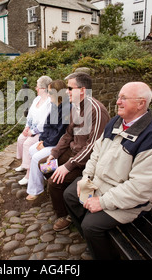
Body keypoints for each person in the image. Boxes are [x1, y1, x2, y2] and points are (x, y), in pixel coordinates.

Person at [63, 81, 152, 260]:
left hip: (132, 201)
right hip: (101, 184)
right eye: (118, 97)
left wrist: (102, 202)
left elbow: (140, 189)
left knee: (92, 225)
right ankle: (96, 242)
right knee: (70, 195)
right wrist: (86, 177)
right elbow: (96, 152)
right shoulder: (116, 122)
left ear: (141, 103)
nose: (118, 102)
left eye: (124, 98)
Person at [46, 72, 109, 231]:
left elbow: (92, 146)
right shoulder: (75, 108)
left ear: (82, 90)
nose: (66, 91)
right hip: (73, 153)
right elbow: (68, 135)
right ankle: (62, 200)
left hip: (87, 160)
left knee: (54, 182)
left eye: (69, 88)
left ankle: (65, 215)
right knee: (45, 167)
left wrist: (68, 165)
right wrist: (54, 153)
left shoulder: (97, 110)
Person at [26, 80, 70, 201]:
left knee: (36, 158)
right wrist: (42, 140)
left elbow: (60, 133)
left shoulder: (66, 109)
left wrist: (45, 144)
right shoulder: (55, 106)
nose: (48, 94)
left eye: (50, 92)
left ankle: (36, 190)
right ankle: (46, 176)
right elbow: (47, 126)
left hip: (58, 145)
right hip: (49, 142)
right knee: (32, 149)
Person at [16, 76, 52, 185]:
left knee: (28, 144)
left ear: (44, 88)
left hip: (41, 132)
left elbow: (46, 122)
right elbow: (30, 115)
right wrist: (27, 127)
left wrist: (33, 131)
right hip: (32, 128)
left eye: (38, 86)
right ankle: (24, 164)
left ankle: (29, 174)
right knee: (20, 139)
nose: (36, 88)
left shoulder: (50, 101)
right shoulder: (37, 99)